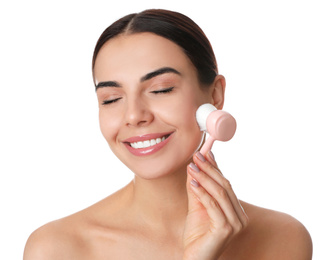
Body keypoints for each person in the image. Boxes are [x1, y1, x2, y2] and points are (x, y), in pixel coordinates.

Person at [23, 9, 312, 260]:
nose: (134, 115)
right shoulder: (56, 248)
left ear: (215, 94)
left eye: (161, 89)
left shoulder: (283, 238)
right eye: (111, 98)